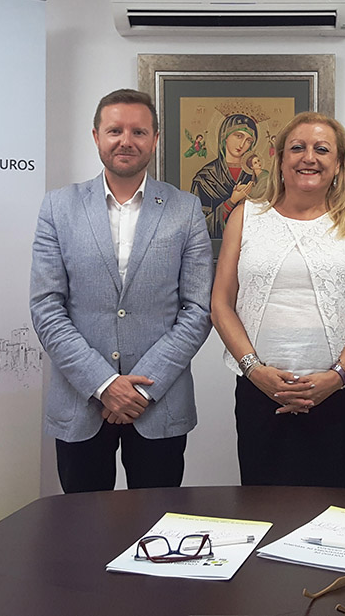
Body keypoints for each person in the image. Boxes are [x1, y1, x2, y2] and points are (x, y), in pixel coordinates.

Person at [30, 88, 213, 493]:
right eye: (115, 131)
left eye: (138, 132)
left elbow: (198, 310)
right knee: (83, 523)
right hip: (81, 401)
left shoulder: (186, 209)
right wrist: (104, 384)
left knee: (156, 520)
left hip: (159, 403)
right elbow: (46, 307)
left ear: (155, 139)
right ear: (96, 136)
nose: (126, 141)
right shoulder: (59, 207)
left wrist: (141, 389)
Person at [212, 111, 345, 488]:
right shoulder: (245, 217)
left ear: (338, 164)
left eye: (322, 149)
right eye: (297, 148)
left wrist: (336, 377)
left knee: (336, 510)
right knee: (264, 507)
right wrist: (254, 370)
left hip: (338, 394)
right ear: (279, 159)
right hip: (261, 391)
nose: (309, 157)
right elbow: (221, 304)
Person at [190, 113, 258, 238]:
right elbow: (197, 228)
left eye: (249, 141)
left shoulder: (255, 176)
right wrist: (231, 202)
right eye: (238, 136)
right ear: (225, 136)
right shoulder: (205, 178)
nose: (242, 144)